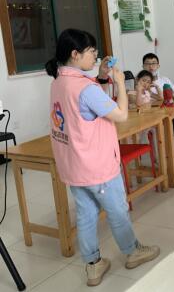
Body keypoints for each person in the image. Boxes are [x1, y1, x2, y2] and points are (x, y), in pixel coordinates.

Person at [45, 29, 159, 287]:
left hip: (74, 165)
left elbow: (86, 107)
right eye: (92, 52)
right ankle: (132, 252)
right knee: (117, 210)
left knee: (86, 214)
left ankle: (93, 265)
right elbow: (121, 115)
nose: (96, 56)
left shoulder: (58, 82)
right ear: (75, 54)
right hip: (96, 165)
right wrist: (120, 82)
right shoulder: (85, 88)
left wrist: (103, 76)